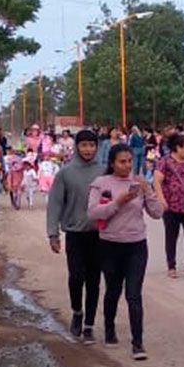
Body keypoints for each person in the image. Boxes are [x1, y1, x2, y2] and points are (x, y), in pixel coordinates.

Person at [87, 143, 163, 359]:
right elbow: (93, 213)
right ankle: (109, 330)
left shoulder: (138, 183)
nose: (127, 165)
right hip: (110, 245)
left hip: (136, 245)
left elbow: (157, 213)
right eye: (122, 161)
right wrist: (118, 202)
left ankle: (138, 343)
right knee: (113, 290)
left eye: (130, 161)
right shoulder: (101, 183)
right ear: (112, 163)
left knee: (134, 294)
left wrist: (148, 191)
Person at [47, 130, 103, 343]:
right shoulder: (66, 173)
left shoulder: (104, 171)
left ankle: (89, 325)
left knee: (94, 280)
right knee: (76, 277)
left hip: (99, 235)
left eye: (92, 145)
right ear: (77, 147)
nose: (88, 149)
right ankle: (77, 312)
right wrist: (53, 233)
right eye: (84, 145)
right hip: (75, 234)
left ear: (97, 147)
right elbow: (55, 204)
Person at [153, 132, 184, 278]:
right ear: (177, 147)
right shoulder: (165, 162)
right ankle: (171, 266)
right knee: (171, 236)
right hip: (171, 206)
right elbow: (157, 181)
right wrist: (161, 199)